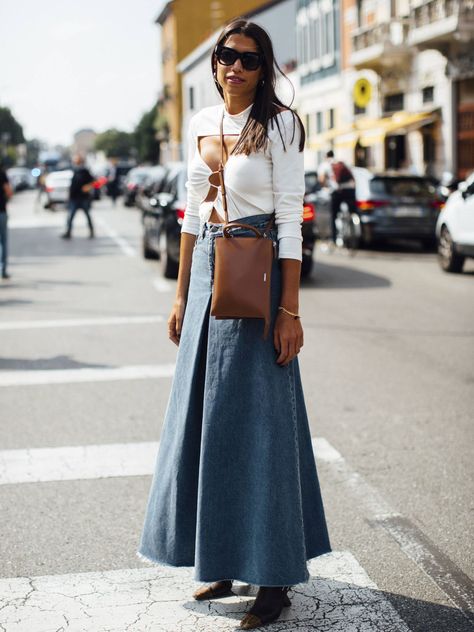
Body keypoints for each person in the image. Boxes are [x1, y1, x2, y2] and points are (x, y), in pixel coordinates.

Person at [138, 19, 331, 630]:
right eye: (226, 56)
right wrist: (179, 298)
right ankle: (217, 557)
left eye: (248, 59)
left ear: (263, 66)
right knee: (204, 421)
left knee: (261, 429)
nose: (235, 67)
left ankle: (273, 576)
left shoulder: (279, 125)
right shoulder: (200, 122)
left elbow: (291, 219)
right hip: (205, 278)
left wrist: (290, 309)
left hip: (258, 273)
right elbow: (191, 215)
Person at [318, 149, 356, 245]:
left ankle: (334, 239)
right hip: (350, 189)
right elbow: (353, 176)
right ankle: (353, 224)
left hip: (337, 190)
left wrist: (325, 187)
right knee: (352, 210)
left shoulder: (325, 164)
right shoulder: (342, 162)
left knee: (334, 215)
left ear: (326, 156)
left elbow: (321, 179)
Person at [61, 155, 95, 239]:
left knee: (87, 215)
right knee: (70, 216)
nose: (75, 161)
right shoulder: (74, 170)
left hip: (83, 198)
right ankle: (68, 232)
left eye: (77, 160)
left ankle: (91, 231)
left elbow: (93, 182)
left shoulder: (85, 171)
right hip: (74, 198)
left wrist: (88, 187)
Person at [0, 165, 13, 280]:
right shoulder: (2, 173)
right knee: (3, 242)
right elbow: (9, 192)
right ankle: (2, 270)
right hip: (1, 211)